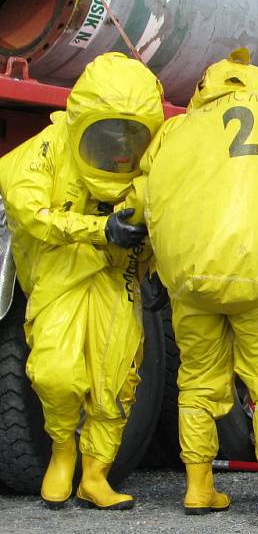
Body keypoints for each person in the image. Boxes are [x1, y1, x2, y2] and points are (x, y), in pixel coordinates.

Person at [136, 49, 258, 520]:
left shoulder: (178, 130)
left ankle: (199, 487)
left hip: (192, 282)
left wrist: (154, 263)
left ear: (206, 86)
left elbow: (148, 195)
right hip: (255, 281)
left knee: (195, 381)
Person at [0, 53, 163, 509]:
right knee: (56, 374)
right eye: (108, 134)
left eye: (131, 136)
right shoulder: (45, 150)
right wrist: (99, 230)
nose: (119, 149)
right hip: (59, 280)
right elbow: (30, 212)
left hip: (115, 279)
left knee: (116, 380)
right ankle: (61, 450)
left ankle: (95, 474)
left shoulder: (148, 167)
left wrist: (154, 261)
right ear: (82, 120)